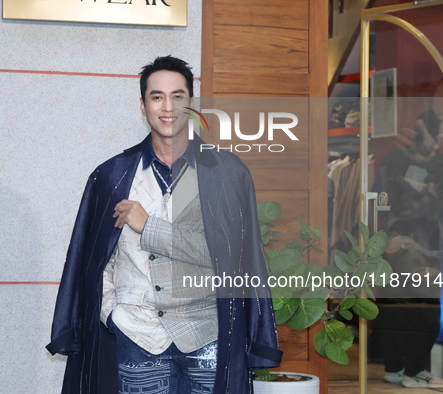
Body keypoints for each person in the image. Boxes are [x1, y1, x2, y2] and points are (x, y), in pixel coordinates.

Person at [46, 55, 282, 393]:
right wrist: (112, 312)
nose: (167, 106)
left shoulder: (226, 173)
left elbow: (232, 258)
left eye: (178, 96)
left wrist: (149, 227)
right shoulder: (112, 176)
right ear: (142, 106)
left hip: (207, 335)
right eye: (157, 96)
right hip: (138, 335)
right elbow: (93, 261)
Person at [372, 85, 443, 389]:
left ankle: (416, 368)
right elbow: (382, 200)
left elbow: (440, 205)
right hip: (402, 246)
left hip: (430, 245)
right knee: (400, 311)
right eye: (437, 130)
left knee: (427, 312)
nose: (440, 137)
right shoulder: (395, 160)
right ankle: (397, 368)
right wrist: (391, 236)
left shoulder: (439, 162)